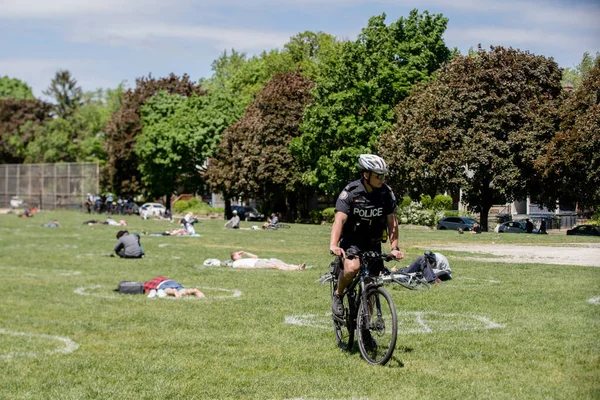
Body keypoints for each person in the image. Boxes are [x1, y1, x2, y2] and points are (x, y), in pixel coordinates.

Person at [329, 154, 404, 317]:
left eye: (383, 175)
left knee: (370, 284)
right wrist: (334, 244)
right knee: (352, 268)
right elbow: (339, 220)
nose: (381, 179)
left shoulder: (386, 193)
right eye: (378, 175)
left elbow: (392, 221)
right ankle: (338, 294)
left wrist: (394, 247)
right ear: (366, 175)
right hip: (352, 239)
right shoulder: (351, 192)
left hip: (373, 240)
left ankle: (365, 326)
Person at [230, 250, 306, 271]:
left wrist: (245, 252)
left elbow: (256, 256)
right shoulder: (235, 263)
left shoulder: (244, 259)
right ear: (234, 257)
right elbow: (240, 267)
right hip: (257, 264)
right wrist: (253, 268)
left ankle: (298, 266)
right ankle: (297, 268)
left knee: (279, 262)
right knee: (275, 266)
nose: (240, 254)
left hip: (261, 260)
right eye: (238, 254)